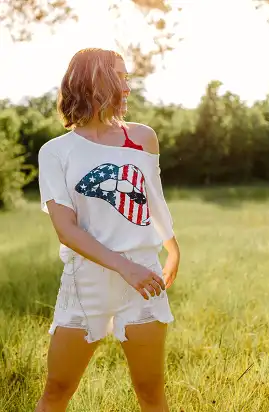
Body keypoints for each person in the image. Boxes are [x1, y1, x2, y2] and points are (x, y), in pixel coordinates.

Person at [36, 48, 180, 412]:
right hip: (85, 281)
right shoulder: (56, 152)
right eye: (121, 76)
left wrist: (172, 247)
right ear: (96, 81)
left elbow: (154, 198)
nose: (128, 87)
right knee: (57, 390)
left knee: (151, 391)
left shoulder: (142, 137)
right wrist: (123, 267)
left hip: (144, 277)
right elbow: (66, 230)